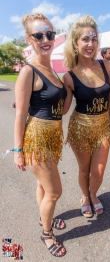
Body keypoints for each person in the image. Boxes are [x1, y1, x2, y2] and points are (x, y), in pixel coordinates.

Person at [14, 13, 67, 257]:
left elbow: (61, 109)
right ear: (30, 39)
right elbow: (20, 114)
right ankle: (47, 234)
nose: (46, 39)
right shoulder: (28, 71)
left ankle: (45, 218)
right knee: (55, 191)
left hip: (54, 137)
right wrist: (18, 151)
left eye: (50, 34)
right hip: (36, 139)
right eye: (39, 35)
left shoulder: (53, 70)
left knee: (43, 185)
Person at [63, 15, 110, 217]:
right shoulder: (69, 76)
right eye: (85, 39)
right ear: (75, 43)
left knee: (98, 172)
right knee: (84, 169)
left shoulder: (105, 66)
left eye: (93, 39)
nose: (90, 43)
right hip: (80, 128)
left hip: (102, 126)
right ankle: (86, 196)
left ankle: (93, 193)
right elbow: (64, 108)